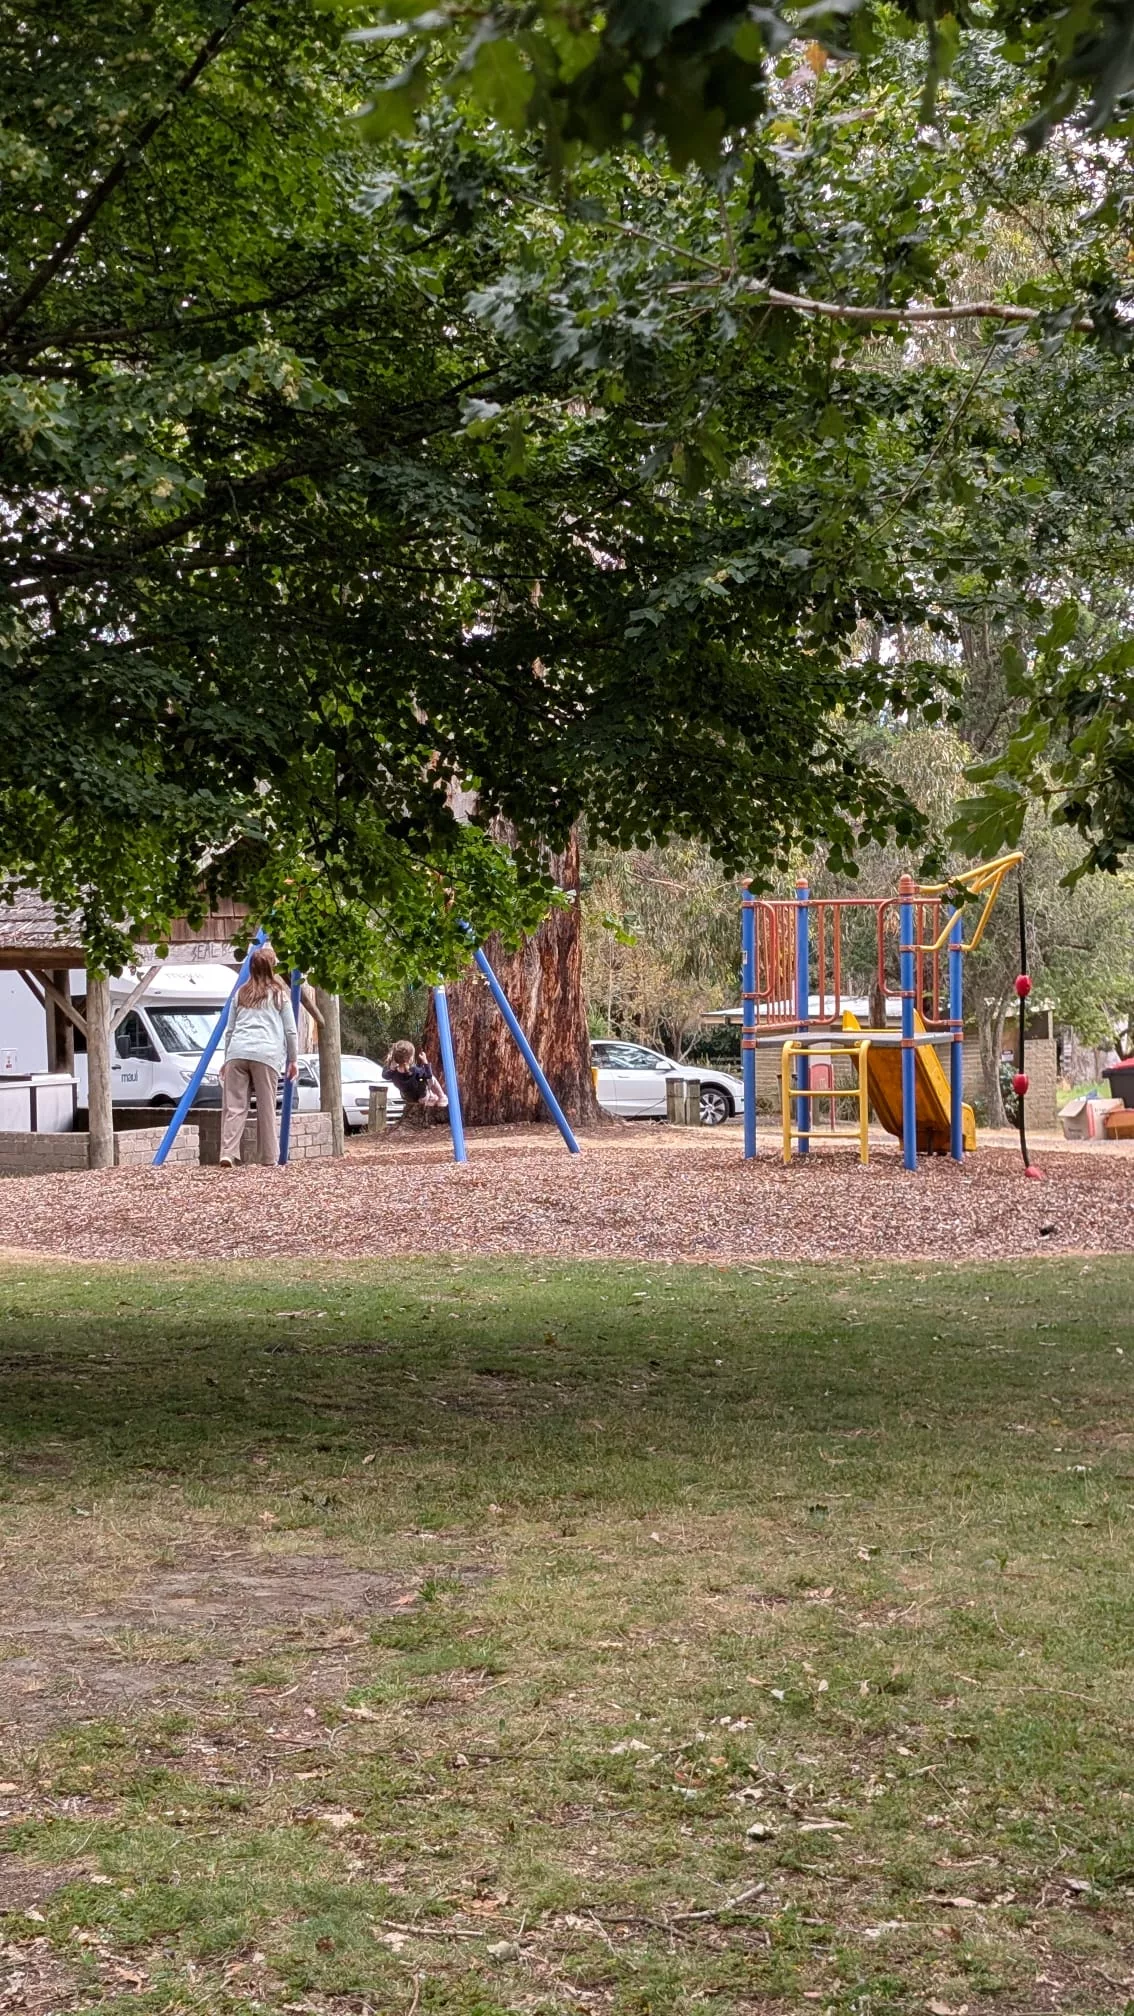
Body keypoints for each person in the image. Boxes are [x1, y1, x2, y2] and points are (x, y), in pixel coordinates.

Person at [218, 945, 298, 1166]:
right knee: (266, 1107)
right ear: (271, 968)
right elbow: (290, 1030)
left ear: (251, 968)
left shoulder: (240, 994)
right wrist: (293, 1059)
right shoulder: (279, 995)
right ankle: (268, 1157)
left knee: (234, 1107)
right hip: (266, 1054)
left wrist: (227, 1060)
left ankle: (228, 1152)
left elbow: (230, 1030)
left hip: (237, 1053)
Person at [383, 1040, 448, 1109]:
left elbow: (385, 1076)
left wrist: (392, 1069)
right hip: (422, 1098)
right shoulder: (416, 1072)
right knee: (429, 1079)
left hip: (408, 1098)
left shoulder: (393, 1073)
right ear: (411, 1059)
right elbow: (429, 1076)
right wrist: (425, 1062)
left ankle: (431, 1097)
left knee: (420, 1081)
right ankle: (442, 1097)